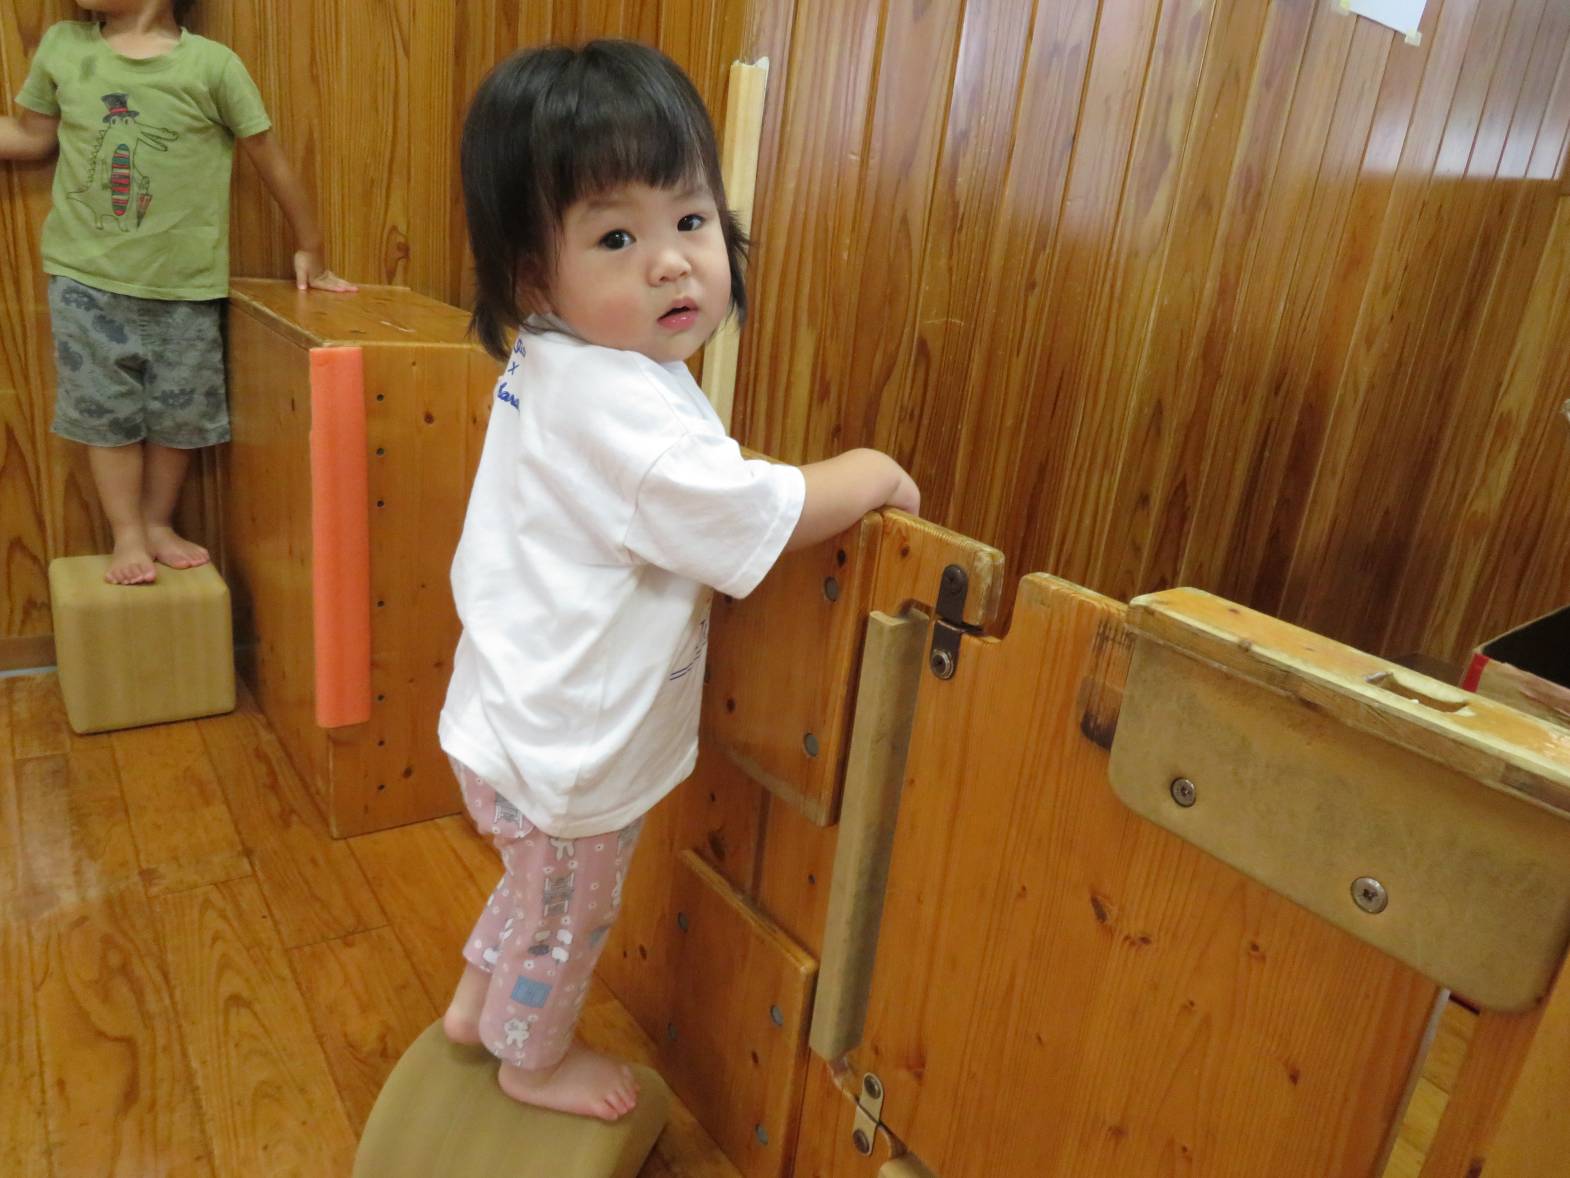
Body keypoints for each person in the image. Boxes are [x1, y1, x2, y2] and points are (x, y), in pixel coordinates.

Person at [439, 40, 920, 1121]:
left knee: (532, 882)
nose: (671, 262)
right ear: (533, 278)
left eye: (691, 220)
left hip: (507, 717)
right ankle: (531, 1056)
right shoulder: (617, 403)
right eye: (617, 237)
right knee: (570, 915)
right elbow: (741, 512)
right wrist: (867, 473)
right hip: (567, 747)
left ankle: (478, 1003)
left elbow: (675, 485)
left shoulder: (564, 360)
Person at [0, 0, 355, 586]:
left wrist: (310, 245)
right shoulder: (64, 45)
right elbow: (31, 136)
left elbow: (268, 156)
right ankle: (127, 533)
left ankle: (157, 523)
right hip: (85, 278)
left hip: (185, 284)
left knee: (181, 415)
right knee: (104, 415)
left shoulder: (213, 65)